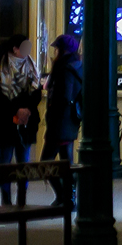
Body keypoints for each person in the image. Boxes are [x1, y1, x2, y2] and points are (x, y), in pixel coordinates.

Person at [0, 33, 42, 205]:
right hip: (5, 121)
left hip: (26, 122)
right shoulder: (1, 66)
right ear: (15, 49)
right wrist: (16, 110)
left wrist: (26, 110)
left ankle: (22, 200)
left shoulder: (31, 65)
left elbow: (37, 92)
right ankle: (6, 200)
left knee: (24, 161)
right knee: (5, 160)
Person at [41, 34, 82, 206]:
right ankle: (69, 198)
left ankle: (63, 196)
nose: (55, 52)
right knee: (67, 162)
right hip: (70, 121)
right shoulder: (77, 66)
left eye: (57, 48)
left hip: (60, 122)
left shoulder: (64, 69)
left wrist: (52, 111)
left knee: (45, 163)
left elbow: (63, 96)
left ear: (63, 50)